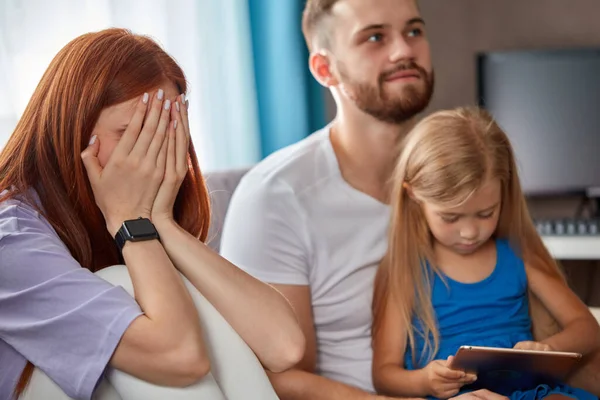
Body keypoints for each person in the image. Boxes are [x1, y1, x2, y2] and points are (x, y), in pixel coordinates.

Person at [0, 28, 304, 400]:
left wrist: (157, 221)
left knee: (166, 295)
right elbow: (179, 357)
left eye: (167, 131)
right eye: (134, 133)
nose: (154, 152)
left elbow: (284, 347)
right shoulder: (10, 238)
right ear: (72, 132)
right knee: (121, 282)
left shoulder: (137, 215)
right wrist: (131, 223)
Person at [220, 0, 439, 398]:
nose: (405, 50)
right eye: (375, 37)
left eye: (414, 31)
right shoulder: (277, 196)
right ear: (325, 69)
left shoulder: (462, 168)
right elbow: (275, 377)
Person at [371, 107, 600, 400]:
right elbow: (384, 375)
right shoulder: (405, 271)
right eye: (451, 218)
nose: (469, 232)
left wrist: (549, 349)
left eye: (485, 213)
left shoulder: (518, 256)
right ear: (414, 196)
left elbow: (587, 329)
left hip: (529, 392)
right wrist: (425, 381)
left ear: (504, 192)